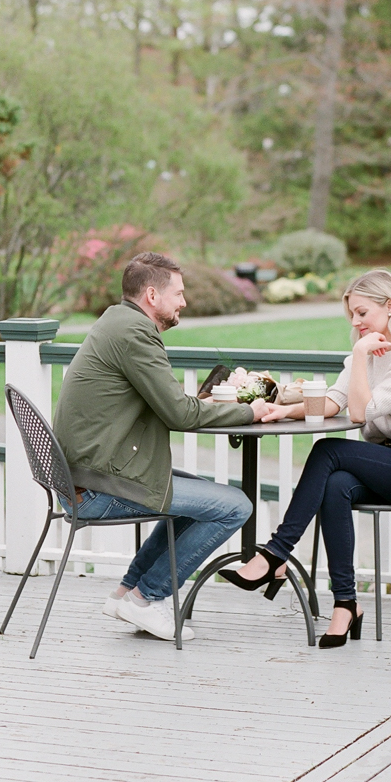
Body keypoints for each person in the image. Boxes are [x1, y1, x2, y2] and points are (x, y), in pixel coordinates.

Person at [53, 251, 272, 642]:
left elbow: (169, 405)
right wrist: (250, 413)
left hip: (88, 475)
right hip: (96, 488)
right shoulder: (135, 334)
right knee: (235, 506)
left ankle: (127, 592)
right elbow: (179, 415)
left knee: (201, 497)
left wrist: (199, 405)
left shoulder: (117, 321)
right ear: (152, 296)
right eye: (178, 294)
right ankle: (146, 598)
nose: (184, 302)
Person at [221, 269, 391, 649]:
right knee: (335, 485)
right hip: (383, 461)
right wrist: (280, 412)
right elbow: (334, 400)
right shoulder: (365, 351)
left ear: (390, 307)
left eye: (362, 313)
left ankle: (275, 553)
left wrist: (358, 352)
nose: (356, 322)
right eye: (352, 314)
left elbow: (358, 412)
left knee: (328, 449)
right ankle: (346, 604)